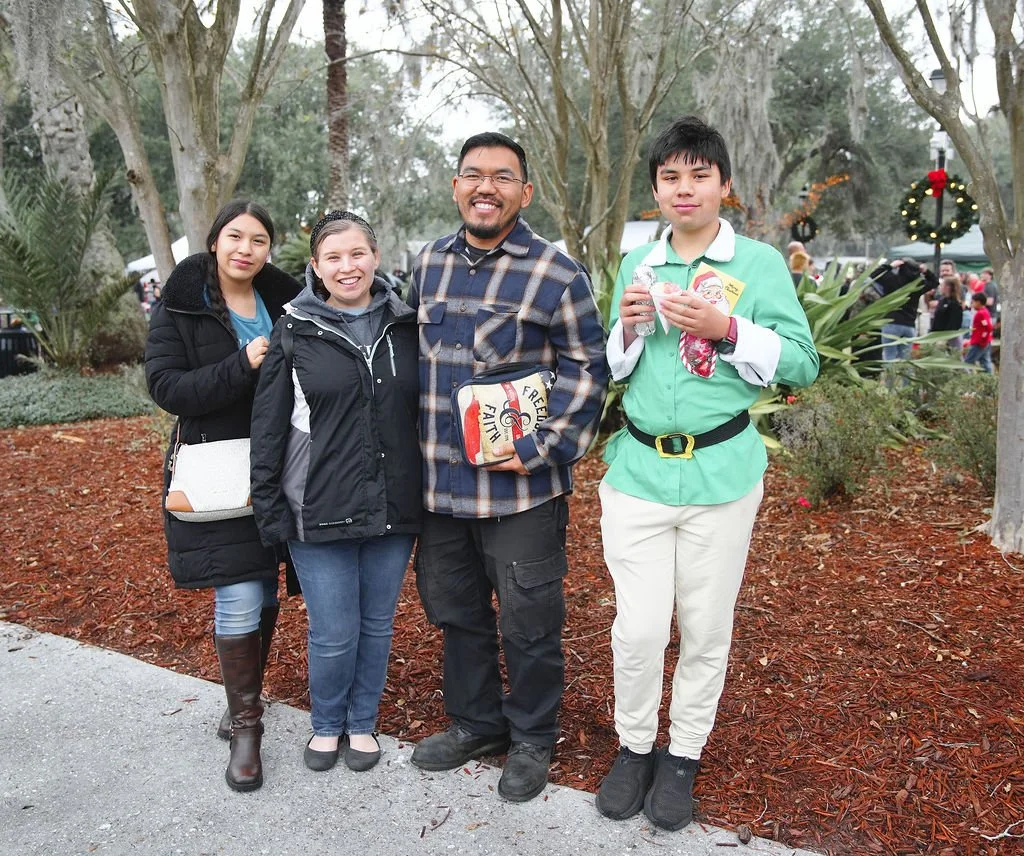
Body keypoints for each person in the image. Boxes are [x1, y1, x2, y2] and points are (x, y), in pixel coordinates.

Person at [595, 116, 819, 832]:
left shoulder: (757, 266)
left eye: (699, 175)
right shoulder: (640, 264)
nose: (684, 189)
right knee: (637, 629)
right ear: (655, 189)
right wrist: (628, 326)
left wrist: (727, 330)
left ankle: (682, 755)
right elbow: (612, 365)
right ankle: (634, 746)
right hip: (636, 474)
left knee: (704, 627)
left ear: (724, 185)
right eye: (670, 177)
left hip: (722, 476)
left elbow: (802, 363)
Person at [406, 131, 608, 802]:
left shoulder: (556, 273)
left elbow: (587, 370)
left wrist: (538, 447)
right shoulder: (427, 264)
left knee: (529, 622)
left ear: (526, 191)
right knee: (456, 613)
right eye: (472, 174)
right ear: (455, 186)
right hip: (440, 489)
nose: (484, 186)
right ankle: (475, 724)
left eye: (501, 176)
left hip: (522, 491)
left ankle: (531, 739)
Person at [250, 211, 421, 774]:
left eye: (357, 254)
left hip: (395, 503)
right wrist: (270, 509)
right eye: (334, 258)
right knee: (332, 631)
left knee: (376, 623)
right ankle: (326, 724)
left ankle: (362, 722)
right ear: (316, 268)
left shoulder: (406, 323)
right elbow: (269, 427)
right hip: (318, 506)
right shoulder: (294, 328)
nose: (347, 267)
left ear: (375, 256)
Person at [145, 200, 301, 792]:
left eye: (259, 240)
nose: (246, 248)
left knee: (263, 588)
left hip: (278, 467)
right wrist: (243, 363)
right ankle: (246, 729)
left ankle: (243, 701)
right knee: (237, 593)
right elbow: (166, 386)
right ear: (215, 242)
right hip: (219, 464)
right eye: (235, 236)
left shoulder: (286, 303)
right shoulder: (182, 304)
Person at [869, 258, 933, 363]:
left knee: (889, 356)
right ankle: (906, 380)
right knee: (905, 359)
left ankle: (890, 379)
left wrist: (889, 266)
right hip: (909, 324)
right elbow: (934, 282)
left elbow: (874, 275)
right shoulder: (918, 284)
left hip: (891, 322)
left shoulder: (891, 279)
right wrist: (926, 271)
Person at [931, 274, 964, 355]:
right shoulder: (942, 301)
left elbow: (954, 323)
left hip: (950, 338)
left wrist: (946, 337)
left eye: (943, 285)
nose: (941, 287)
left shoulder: (955, 304)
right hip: (938, 336)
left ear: (949, 287)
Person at [964, 291, 994, 373]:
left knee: (968, 362)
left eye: (973, 302)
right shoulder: (985, 311)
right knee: (985, 362)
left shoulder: (981, 314)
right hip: (984, 341)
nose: (972, 304)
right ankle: (989, 379)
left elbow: (988, 327)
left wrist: (983, 341)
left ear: (978, 302)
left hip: (979, 342)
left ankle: (966, 379)